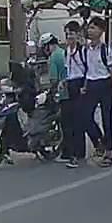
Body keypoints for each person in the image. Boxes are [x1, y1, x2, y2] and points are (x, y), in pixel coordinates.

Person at [62, 20, 103, 168]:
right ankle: (80, 151)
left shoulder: (83, 51)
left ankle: (80, 153)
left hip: (82, 85)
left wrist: (84, 86)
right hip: (71, 85)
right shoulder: (67, 51)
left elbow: (88, 69)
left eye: (72, 34)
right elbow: (69, 69)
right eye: (67, 34)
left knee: (81, 119)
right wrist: (64, 82)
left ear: (78, 34)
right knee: (73, 120)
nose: (69, 37)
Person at [80, 17, 112, 167]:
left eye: (93, 28)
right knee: (85, 117)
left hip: (105, 85)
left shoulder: (105, 50)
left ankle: (109, 152)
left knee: (106, 119)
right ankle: (100, 141)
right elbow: (87, 70)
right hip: (91, 85)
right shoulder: (85, 50)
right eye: (89, 28)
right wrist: (85, 86)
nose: (90, 31)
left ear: (101, 31)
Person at [40, 32, 70, 162]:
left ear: (48, 45)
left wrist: (46, 92)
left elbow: (53, 80)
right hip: (70, 91)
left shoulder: (53, 58)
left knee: (63, 123)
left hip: (61, 93)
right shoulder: (63, 53)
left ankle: (66, 153)